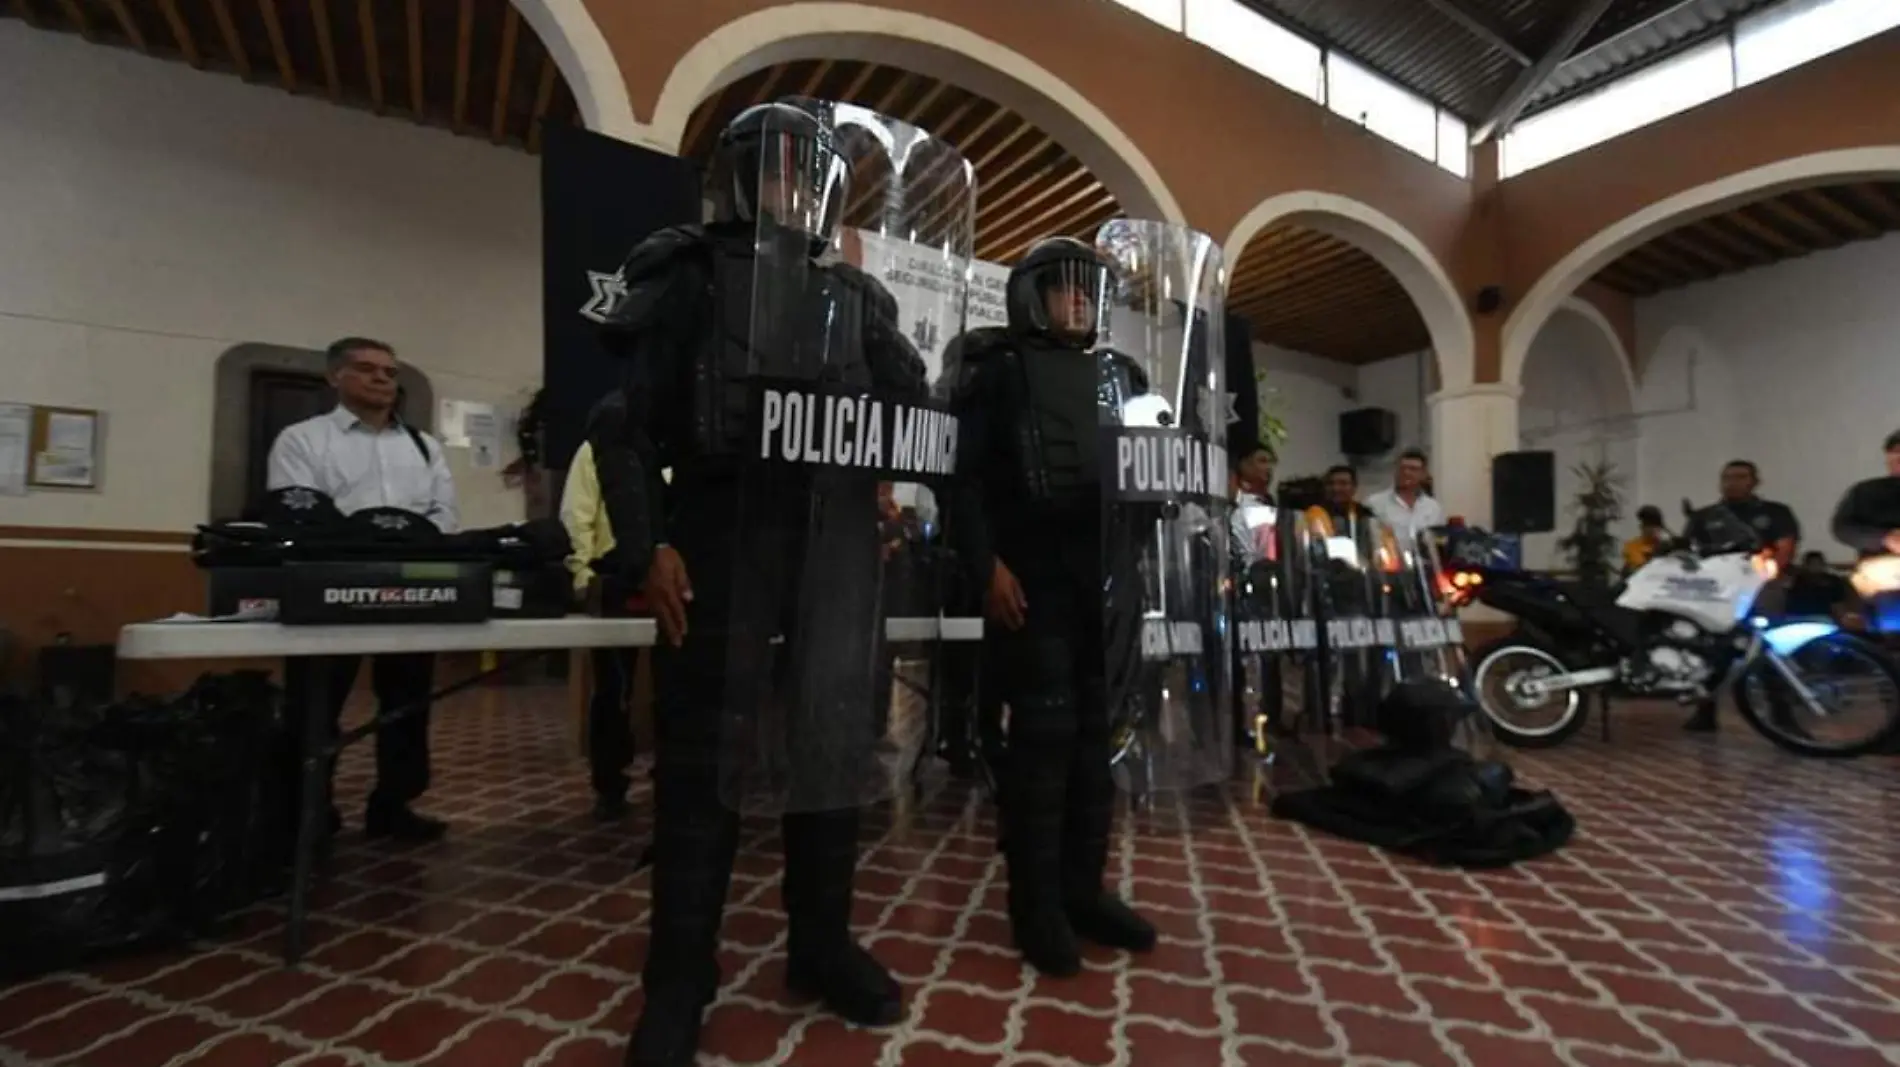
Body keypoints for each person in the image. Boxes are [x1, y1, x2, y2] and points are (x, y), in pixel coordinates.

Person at [588, 101, 930, 1067]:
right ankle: (679, 983)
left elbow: (913, 412)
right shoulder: (688, 273)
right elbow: (624, 427)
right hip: (719, 540)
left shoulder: (855, 301)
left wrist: (907, 448)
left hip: (831, 560)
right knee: (703, 766)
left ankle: (819, 944)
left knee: (832, 752)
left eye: (810, 175)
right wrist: (645, 546)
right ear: (740, 178)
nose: (795, 190)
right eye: (778, 170)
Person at [946, 235, 1159, 978]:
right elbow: (961, 482)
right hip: (1028, 581)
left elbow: (1147, 471)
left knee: (1098, 746)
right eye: (1065, 288)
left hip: (1103, 585)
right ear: (1032, 295)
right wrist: (986, 568)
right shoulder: (995, 371)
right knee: (1043, 748)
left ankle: (1083, 890)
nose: (1079, 301)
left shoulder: (1121, 376)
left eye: (1088, 290)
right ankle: (1034, 907)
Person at [266, 336, 455, 842]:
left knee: (408, 704)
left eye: (390, 373)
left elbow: (443, 515)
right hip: (331, 586)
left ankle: (394, 804)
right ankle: (308, 813)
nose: (381, 380)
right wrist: (367, 539)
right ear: (335, 377)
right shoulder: (302, 440)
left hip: (411, 587)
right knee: (316, 705)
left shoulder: (423, 446)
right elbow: (299, 512)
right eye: (367, 369)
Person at [561, 393, 639, 822]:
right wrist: (581, 576)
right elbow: (578, 515)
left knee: (679, 690)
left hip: (675, 579)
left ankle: (674, 777)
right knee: (613, 690)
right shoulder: (597, 448)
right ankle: (610, 784)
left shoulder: (675, 449)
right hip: (613, 581)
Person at [1684, 459, 1799, 732]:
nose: (1732, 482)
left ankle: (1782, 716)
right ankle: (1705, 710)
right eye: (1727, 477)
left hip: (1761, 589)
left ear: (1754, 481)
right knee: (1713, 650)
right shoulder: (1705, 516)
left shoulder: (1775, 512)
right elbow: (1689, 552)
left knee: (1767, 648)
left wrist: (1769, 574)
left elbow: (1785, 547)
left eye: (1740, 476)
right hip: (1717, 592)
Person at [1831, 429, 1900, 559]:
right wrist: (1885, 538)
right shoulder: (1866, 491)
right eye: (1895, 455)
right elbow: (1842, 528)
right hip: (1879, 571)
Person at [1365, 448, 1445, 539]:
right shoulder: (1375, 504)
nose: (1406, 472)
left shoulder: (1433, 508)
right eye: (1402, 468)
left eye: (1413, 469)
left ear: (1423, 474)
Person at [1784, 551, 1854, 620]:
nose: (1815, 566)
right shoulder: (1796, 580)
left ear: (1823, 564)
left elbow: (1839, 604)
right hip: (1798, 617)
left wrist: (1842, 618)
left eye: (1819, 563)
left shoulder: (1833, 581)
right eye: (1812, 563)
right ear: (1806, 565)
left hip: (1824, 618)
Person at [1622, 505, 1668, 575]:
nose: (1652, 528)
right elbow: (1640, 566)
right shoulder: (1632, 546)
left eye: (1655, 525)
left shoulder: (1666, 546)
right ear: (1641, 526)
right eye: (1647, 524)